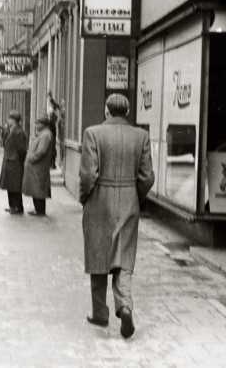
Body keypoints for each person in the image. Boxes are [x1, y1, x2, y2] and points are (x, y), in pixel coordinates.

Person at [79, 93, 154, 339]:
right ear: (128, 112)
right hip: (129, 200)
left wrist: (85, 197)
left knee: (99, 255)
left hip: (99, 200)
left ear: (106, 110)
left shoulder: (93, 133)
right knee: (123, 259)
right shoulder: (141, 136)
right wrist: (135, 197)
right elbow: (147, 177)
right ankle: (125, 306)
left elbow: (88, 174)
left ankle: (100, 312)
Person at [22, 115, 54, 216]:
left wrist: (31, 158)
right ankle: (37, 209)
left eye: (37, 123)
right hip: (36, 167)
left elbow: (41, 151)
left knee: (39, 188)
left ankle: (40, 210)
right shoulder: (42, 134)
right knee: (36, 188)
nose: (35, 125)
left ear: (43, 124)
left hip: (39, 167)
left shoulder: (45, 135)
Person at [0, 111, 28, 214]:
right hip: (10, 162)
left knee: (15, 186)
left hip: (15, 163)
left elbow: (21, 149)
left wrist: (19, 160)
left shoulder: (19, 132)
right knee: (10, 186)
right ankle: (12, 206)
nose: (7, 120)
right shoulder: (10, 130)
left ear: (14, 120)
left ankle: (18, 207)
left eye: (9, 119)